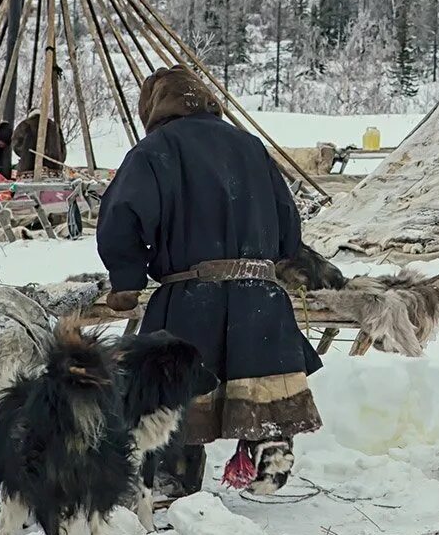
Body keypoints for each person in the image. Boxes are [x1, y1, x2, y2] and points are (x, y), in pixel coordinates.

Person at [97, 65, 321, 497]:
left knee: (179, 396)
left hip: (190, 298)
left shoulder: (154, 151)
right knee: (261, 386)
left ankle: (173, 478)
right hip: (260, 297)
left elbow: (121, 219)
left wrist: (126, 280)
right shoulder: (251, 147)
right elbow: (289, 229)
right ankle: (269, 445)